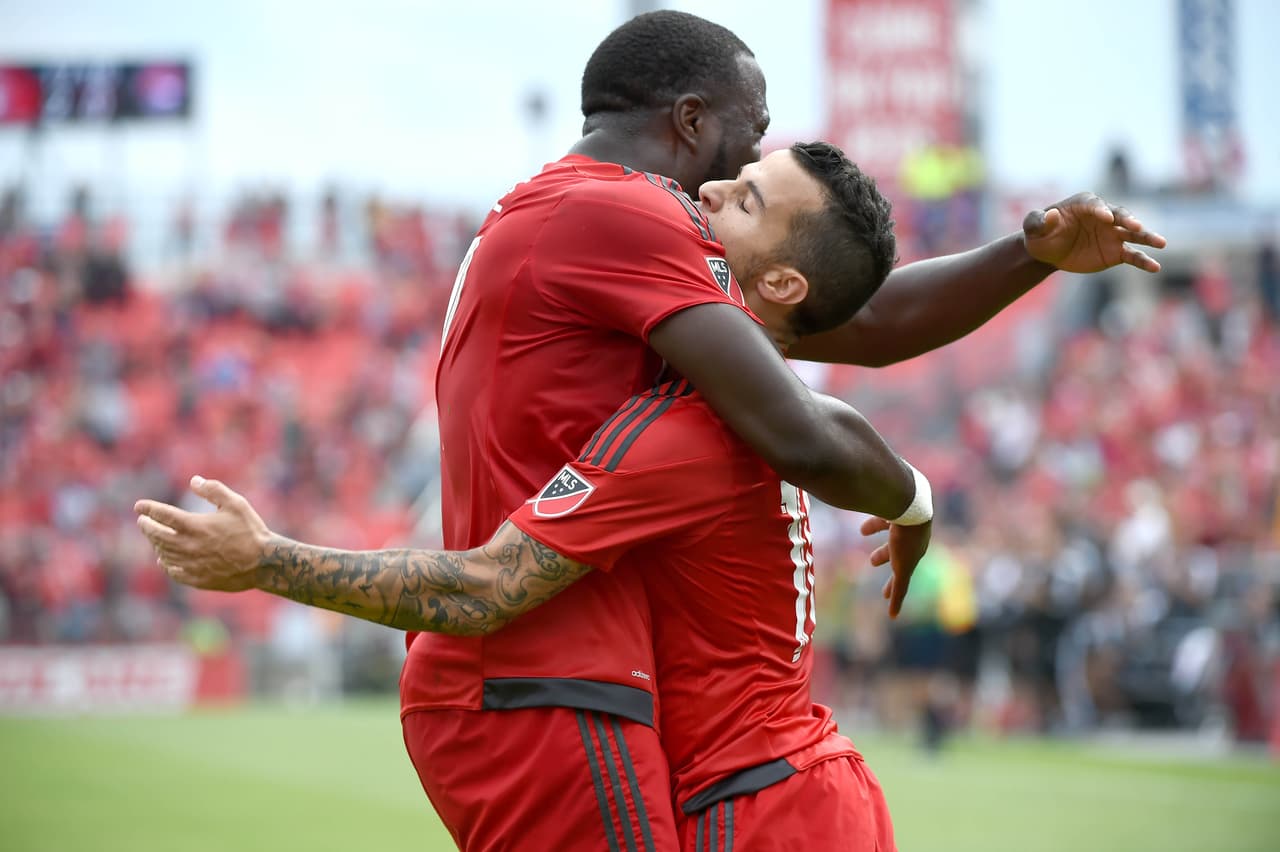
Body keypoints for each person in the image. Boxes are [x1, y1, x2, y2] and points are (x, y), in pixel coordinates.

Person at [142, 9, 1166, 849]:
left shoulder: (620, 268)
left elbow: (839, 317)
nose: (739, 164)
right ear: (688, 120)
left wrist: (1024, 259)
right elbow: (811, 402)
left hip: (594, 699)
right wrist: (908, 497)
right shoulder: (630, 219)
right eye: (750, 137)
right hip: (549, 678)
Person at [138, 140, 912, 851]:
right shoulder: (786, 416)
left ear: (782, 284)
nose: (708, 191)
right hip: (812, 790)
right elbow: (873, 382)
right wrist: (916, 503)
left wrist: (267, 561)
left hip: (759, 811)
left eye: (745, 201)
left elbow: (486, 586)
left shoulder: (688, 431)